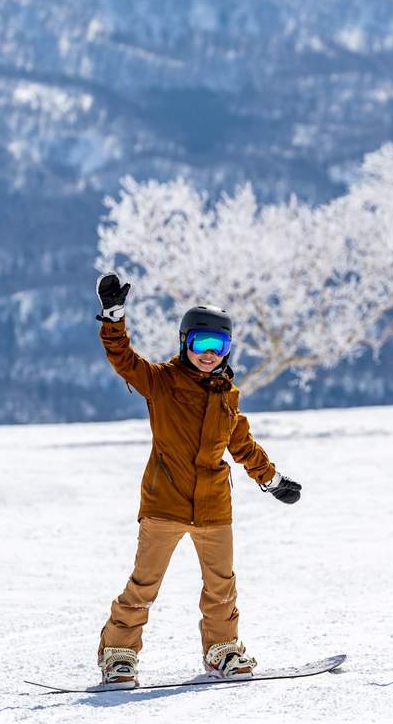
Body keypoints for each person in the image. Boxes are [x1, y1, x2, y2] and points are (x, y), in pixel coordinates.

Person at [93, 272, 303, 686]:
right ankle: (118, 653)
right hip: (164, 503)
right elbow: (123, 359)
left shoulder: (227, 395)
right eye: (201, 344)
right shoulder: (161, 382)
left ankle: (222, 649)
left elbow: (242, 444)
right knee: (144, 585)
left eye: (218, 346)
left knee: (221, 586)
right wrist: (113, 319)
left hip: (213, 506)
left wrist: (272, 479)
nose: (209, 354)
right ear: (185, 343)